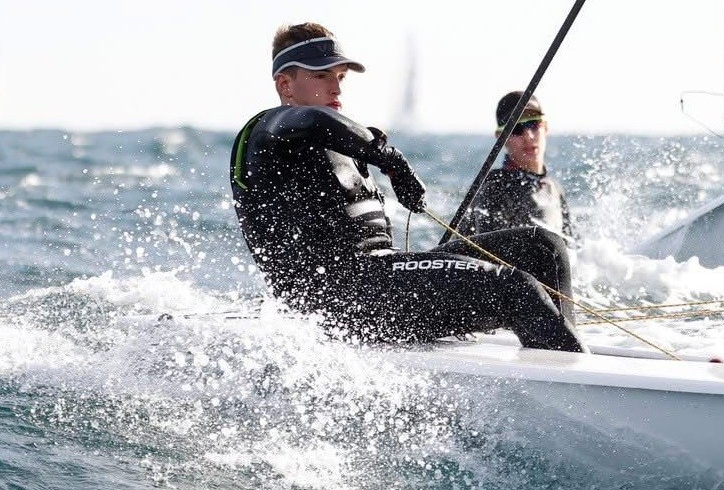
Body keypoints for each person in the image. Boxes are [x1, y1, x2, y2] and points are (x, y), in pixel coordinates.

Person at [228, 22, 582, 352]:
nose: (336, 87)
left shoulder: (328, 139)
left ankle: (569, 358)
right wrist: (391, 160)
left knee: (543, 247)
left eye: (339, 77)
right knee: (515, 287)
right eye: (321, 76)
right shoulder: (269, 129)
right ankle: (579, 395)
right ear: (285, 85)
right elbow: (314, 120)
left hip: (379, 280)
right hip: (336, 301)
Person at [439, 92, 577, 320]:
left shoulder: (555, 189)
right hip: (509, 306)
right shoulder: (495, 186)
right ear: (501, 138)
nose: (529, 136)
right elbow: (485, 262)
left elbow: (573, 251)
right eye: (517, 130)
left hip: (549, 300)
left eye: (534, 124)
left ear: (546, 127)